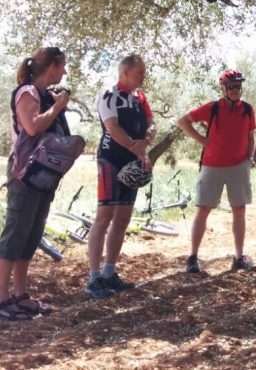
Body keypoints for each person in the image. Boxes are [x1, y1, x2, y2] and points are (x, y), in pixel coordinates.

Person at [0, 47, 70, 320]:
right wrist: (57, 107)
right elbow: (31, 127)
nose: (64, 72)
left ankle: (20, 294)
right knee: (16, 232)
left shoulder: (43, 95)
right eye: (62, 66)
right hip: (24, 174)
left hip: (43, 174)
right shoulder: (27, 92)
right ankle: (2, 298)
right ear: (52, 66)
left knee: (31, 233)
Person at [85, 54, 156, 299]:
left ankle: (109, 273)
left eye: (144, 72)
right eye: (139, 73)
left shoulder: (140, 98)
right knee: (104, 217)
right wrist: (137, 149)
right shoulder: (108, 94)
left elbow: (151, 124)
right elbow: (113, 129)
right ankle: (93, 279)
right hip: (110, 160)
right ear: (125, 72)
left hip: (133, 161)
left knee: (123, 218)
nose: (143, 76)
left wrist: (146, 141)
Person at [177, 69, 256, 274]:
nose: (235, 90)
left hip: (238, 166)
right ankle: (193, 257)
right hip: (212, 166)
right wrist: (202, 141)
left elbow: (251, 135)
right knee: (203, 209)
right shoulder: (212, 108)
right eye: (231, 86)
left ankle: (239, 257)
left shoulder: (247, 109)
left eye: (238, 86)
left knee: (239, 211)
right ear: (223, 88)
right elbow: (183, 121)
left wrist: (249, 157)